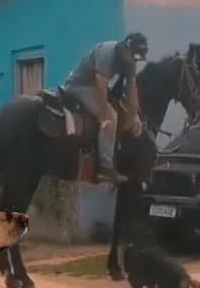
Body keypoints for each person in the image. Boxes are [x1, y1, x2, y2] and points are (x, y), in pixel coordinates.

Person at [63, 32, 148, 183]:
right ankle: (105, 167)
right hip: (81, 86)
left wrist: (134, 116)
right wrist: (104, 114)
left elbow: (132, 89)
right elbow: (100, 85)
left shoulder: (130, 60)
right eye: (135, 57)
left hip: (98, 87)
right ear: (126, 48)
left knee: (122, 111)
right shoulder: (106, 53)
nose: (136, 61)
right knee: (111, 117)